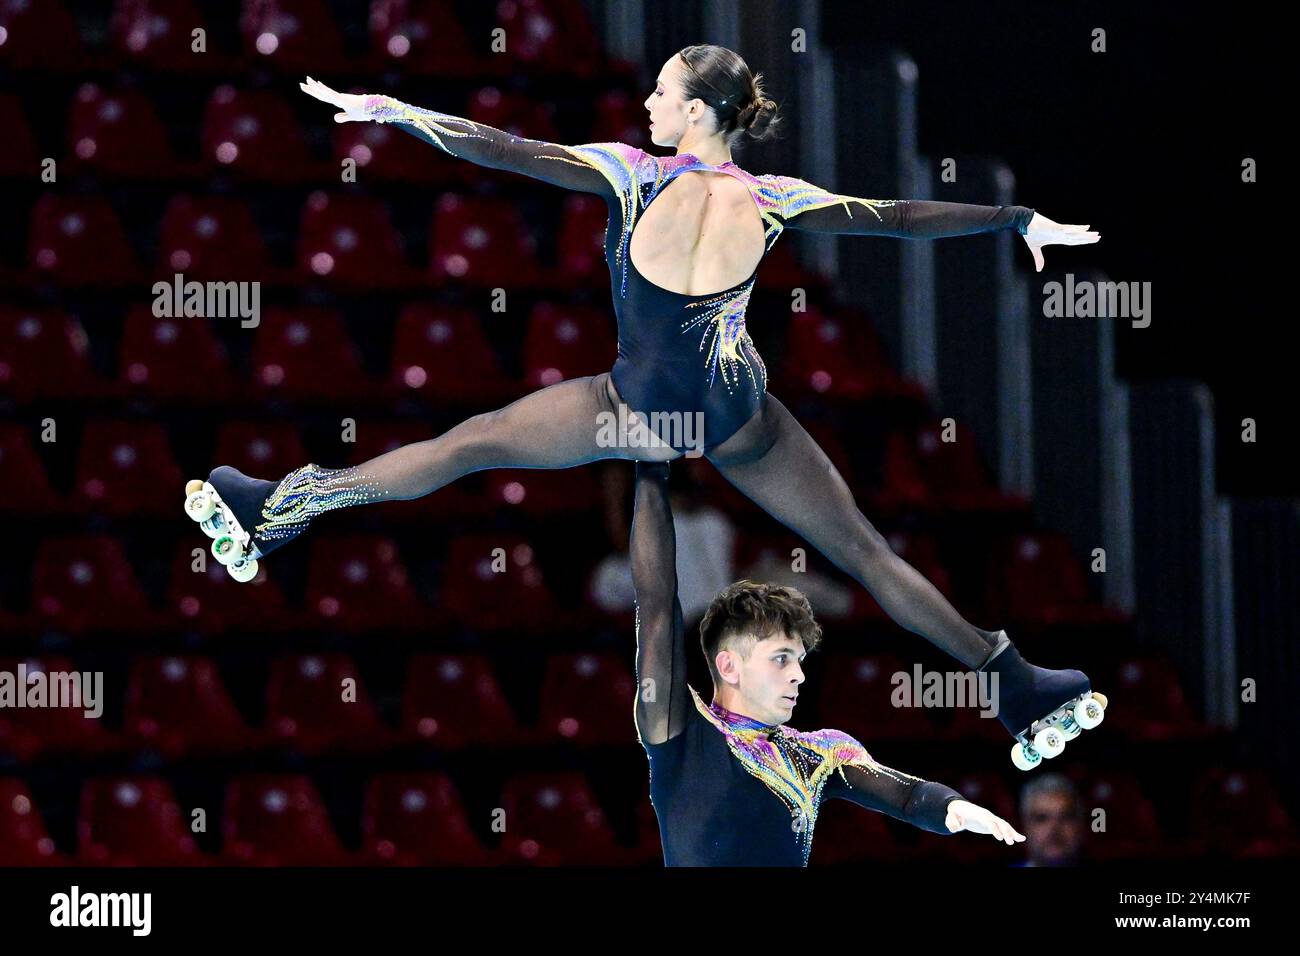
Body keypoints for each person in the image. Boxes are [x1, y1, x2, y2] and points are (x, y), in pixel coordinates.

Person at [185, 44, 1102, 764]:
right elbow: (901, 217)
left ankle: (282, 508)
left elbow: (500, 149)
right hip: (738, 420)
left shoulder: (631, 173)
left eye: (665, 92)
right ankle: (1011, 678)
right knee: (862, 549)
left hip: (635, 410)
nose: (651, 106)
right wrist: (1014, 221)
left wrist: (390, 111)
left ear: (698, 110)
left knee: (467, 444)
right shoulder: (779, 197)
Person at [628, 460, 1023, 865]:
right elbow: (656, 600)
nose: (798, 674)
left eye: (799, 659)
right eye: (781, 659)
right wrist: (650, 472)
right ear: (729, 666)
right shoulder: (681, 734)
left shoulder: (819, 754)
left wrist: (952, 808)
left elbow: (906, 796)